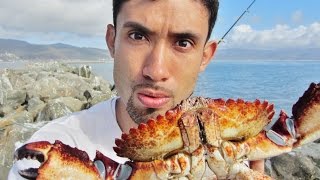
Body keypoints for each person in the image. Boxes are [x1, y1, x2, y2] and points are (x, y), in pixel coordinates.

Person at [9, 0, 264, 179]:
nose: (156, 70)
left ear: (205, 57)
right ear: (112, 42)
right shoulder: (54, 156)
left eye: (183, 42)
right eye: (138, 36)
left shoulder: (230, 157)